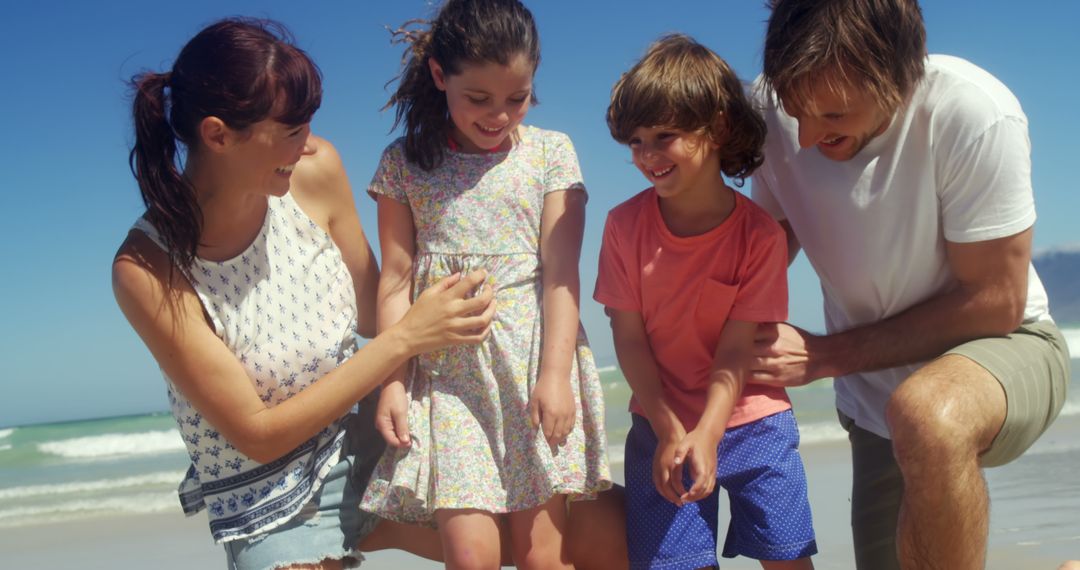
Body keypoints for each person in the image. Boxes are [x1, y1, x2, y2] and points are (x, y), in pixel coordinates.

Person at [112, 17, 623, 570]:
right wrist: (406, 339)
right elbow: (259, 435)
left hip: (379, 434)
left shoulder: (311, 172)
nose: (308, 143)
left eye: (307, 124)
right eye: (290, 130)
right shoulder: (148, 269)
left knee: (609, 534)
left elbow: (380, 306)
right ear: (217, 135)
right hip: (275, 494)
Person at [749, 1, 1072, 568]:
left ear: (901, 76)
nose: (803, 137)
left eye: (833, 116)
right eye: (796, 110)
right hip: (873, 394)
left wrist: (826, 355)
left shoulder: (973, 112)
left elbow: (997, 301)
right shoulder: (773, 110)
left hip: (1010, 343)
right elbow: (766, 247)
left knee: (929, 416)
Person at [356, 0, 613, 567]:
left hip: (531, 369)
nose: (499, 114)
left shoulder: (550, 153)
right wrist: (391, 384)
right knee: (471, 557)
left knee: (540, 558)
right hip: (448, 379)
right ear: (440, 76)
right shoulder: (403, 164)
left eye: (516, 98)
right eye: (479, 99)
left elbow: (561, 276)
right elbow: (395, 281)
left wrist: (554, 376)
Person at [595, 34, 817, 570]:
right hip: (659, 421)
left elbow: (737, 350)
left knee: (787, 558)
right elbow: (629, 339)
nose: (647, 155)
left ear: (716, 128)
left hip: (753, 420)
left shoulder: (759, 237)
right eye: (636, 141)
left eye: (664, 136)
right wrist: (673, 430)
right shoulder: (624, 227)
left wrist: (709, 432)